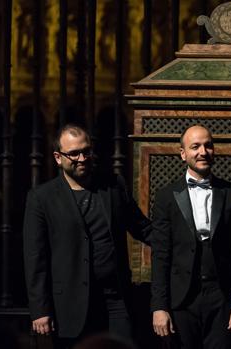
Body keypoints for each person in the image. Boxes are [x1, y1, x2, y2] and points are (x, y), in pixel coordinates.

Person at [23, 124, 152, 347]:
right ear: (58, 157)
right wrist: (40, 310)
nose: (82, 158)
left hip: (115, 300)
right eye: (74, 153)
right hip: (70, 304)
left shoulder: (113, 185)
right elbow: (35, 258)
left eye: (86, 151)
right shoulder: (41, 198)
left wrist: (183, 240)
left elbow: (143, 228)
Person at [150, 125, 231, 348]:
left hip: (222, 299)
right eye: (195, 146)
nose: (203, 152)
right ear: (183, 153)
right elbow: (160, 256)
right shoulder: (166, 196)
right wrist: (159, 307)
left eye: (208, 145)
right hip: (181, 301)